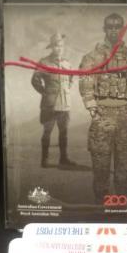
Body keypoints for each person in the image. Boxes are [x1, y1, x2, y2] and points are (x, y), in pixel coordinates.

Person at [79, 13, 127, 204]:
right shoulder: (92, 57)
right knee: (100, 162)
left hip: (126, 115)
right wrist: (93, 109)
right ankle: (100, 203)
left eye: (117, 27)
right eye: (110, 27)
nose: (113, 30)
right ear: (104, 29)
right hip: (102, 114)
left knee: (124, 163)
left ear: (122, 29)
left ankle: (122, 202)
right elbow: (85, 83)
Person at [31, 32, 76, 168]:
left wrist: (67, 89)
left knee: (64, 132)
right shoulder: (44, 62)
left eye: (61, 45)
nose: (59, 48)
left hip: (65, 104)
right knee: (47, 132)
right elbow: (35, 80)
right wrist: (45, 93)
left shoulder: (67, 63)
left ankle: (63, 158)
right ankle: (44, 160)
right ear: (52, 47)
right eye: (56, 46)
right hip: (50, 104)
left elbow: (71, 78)